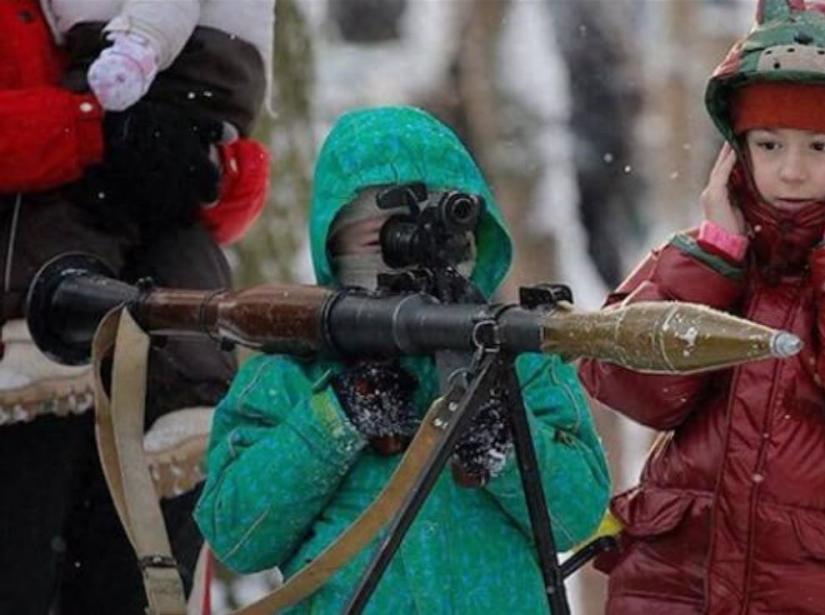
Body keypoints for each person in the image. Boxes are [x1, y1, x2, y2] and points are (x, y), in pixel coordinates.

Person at [579, 0, 825, 613]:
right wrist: (715, 260)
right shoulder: (695, 258)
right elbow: (633, 387)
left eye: (820, 147)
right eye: (768, 144)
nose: (790, 171)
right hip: (671, 589)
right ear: (736, 148)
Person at [195, 105, 611, 613]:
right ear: (335, 248)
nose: (424, 255)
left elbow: (576, 515)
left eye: (448, 231)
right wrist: (335, 419)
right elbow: (236, 534)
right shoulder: (292, 373)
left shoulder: (517, 363)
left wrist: (501, 438)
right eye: (385, 238)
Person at [0, 0, 270, 612]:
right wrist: (91, 131)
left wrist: (201, 160)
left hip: (144, 359)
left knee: (135, 586)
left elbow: (228, 198)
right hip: (22, 355)